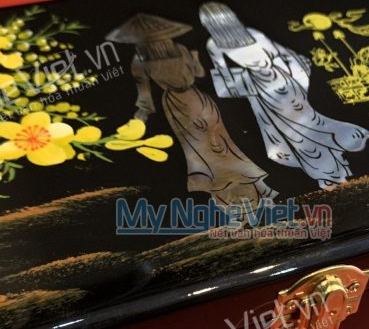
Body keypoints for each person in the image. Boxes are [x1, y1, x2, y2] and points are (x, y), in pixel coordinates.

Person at [106, 13, 276, 209]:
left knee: (219, 147)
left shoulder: (154, 56)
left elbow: (150, 92)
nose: (158, 43)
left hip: (194, 101)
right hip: (183, 105)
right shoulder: (150, 58)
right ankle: (236, 199)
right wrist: (138, 119)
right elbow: (147, 92)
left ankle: (250, 195)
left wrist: (141, 115)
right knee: (206, 152)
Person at [199, 2, 369, 189]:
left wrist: (290, 81)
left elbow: (277, 56)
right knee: (295, 135)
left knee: (302, 131)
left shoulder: (235, 39)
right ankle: (332, 172)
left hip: (278, 85)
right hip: (267, 90)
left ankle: (332, 172)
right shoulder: (222, 42)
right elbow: (276, 57)